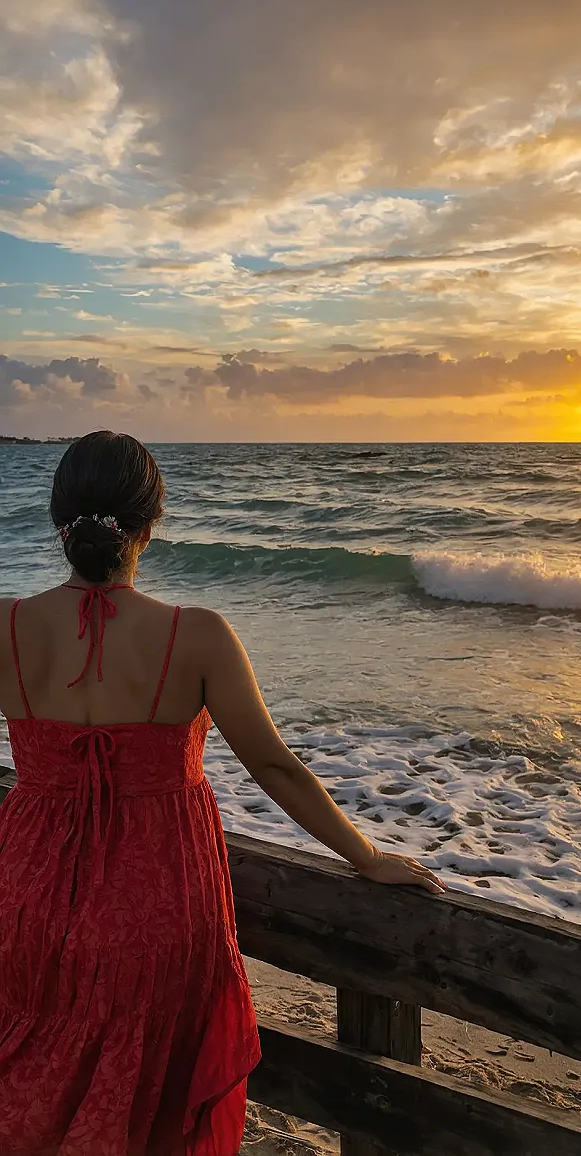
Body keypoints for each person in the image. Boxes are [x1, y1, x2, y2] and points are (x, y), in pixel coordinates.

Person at [0, 431, 446, 1156]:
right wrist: (365, 856)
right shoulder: (196, 636)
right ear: (151, 525)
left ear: (57, 521)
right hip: (159, 898)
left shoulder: (6, 626)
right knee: (145, 1099)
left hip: (27, 889)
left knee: (32, 1068)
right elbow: (274, 768)